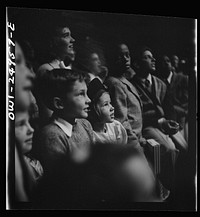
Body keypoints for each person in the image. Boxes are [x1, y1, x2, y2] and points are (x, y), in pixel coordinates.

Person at [131, 46, 180, 190]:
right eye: (147, 57)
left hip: (165, 125)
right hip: (148, 126)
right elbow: (137, 114)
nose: (153, 59)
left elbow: (169, 107)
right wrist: (159, 122)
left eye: (152, 56)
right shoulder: (132, 85)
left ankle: (179, 184)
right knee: (169, 148)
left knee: (185, 147)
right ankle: (167, 186)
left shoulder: (160, 83)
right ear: (137, 64)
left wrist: (172, 122)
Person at [32, 68, 94, 175]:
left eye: (86, 93)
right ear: (59, 104)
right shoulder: (52, 135)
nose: (89, 100)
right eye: (81, 94)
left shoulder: (85, 124)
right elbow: (62, 179)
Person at [35, 19, 76, 126]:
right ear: (53, 42)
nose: (72, 40)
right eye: (66, 35)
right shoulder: (46, 70)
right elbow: (48, 113)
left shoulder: (63, 67)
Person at [105, 43, 144, 151]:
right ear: (111, 60)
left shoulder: (124, 80)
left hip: (137, 138)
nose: (126, 59)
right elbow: (122, 122)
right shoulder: (114, 83)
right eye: (120, 56)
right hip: (130, 144)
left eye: (127, 55)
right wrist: (136, 146)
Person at [157, 54, 188, 145]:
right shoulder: (159, 82)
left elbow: (188, 101)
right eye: (163, 62)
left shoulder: (182, 78)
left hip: (183, 116)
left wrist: (178, 110)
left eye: (168, 61)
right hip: (168, 118)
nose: (166, 63)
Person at [87, 78, 127, 145]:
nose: (112, 108)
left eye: (110, 103)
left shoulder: (116, 127)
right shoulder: (91, 136)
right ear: (93, 109)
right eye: (105, 104)